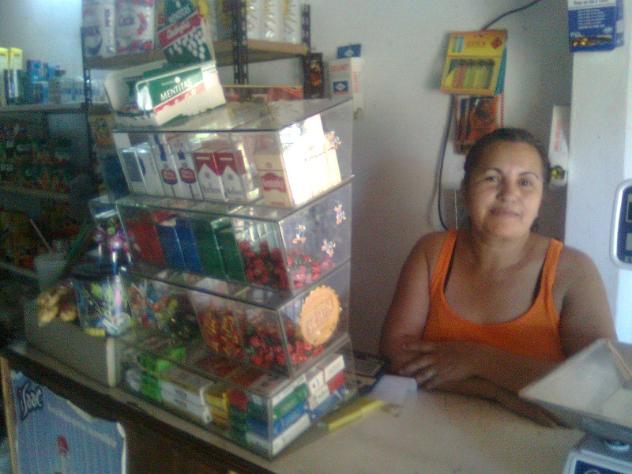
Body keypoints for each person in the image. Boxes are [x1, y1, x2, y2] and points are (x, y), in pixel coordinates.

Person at [379, 127, 615, 426]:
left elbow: (600, 386)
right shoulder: (431, 252)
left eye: (525, 182)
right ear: (465, 190)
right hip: (424, 427)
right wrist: (496, 392)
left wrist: (477, 359)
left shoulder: (573, 271)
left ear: (542, 197)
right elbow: (394, 355)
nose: (509, 194)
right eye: (491, 178)